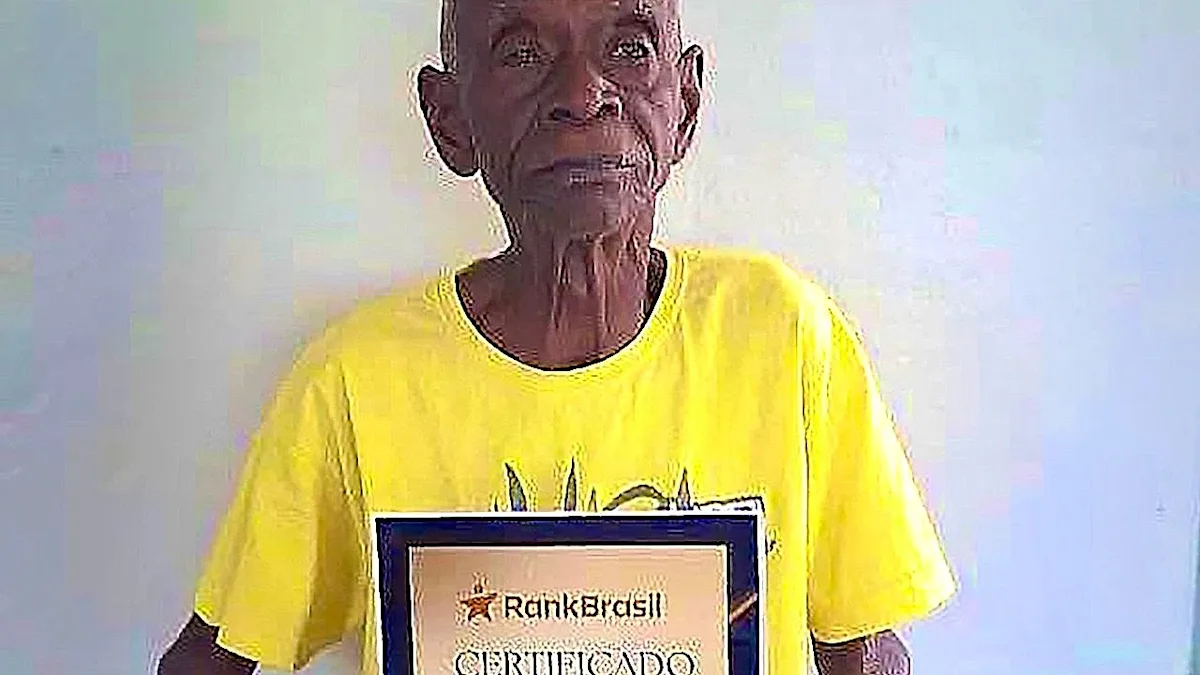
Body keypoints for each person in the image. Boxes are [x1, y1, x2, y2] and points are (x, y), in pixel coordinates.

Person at [157, 0, 955, 674]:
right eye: (522, 53)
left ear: (686, 103)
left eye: (630, 48)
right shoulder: (355, 382)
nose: (583, 94)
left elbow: (867, 653)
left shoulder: (783, 337)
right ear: (450, 119)